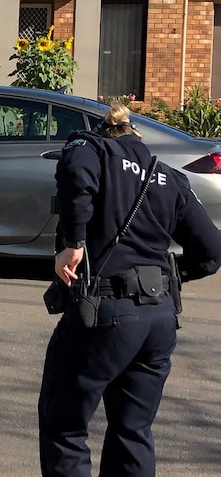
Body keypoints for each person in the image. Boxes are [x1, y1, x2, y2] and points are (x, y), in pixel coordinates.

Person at [38, 105, 221, 477]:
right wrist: (169, 277)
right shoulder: (168, 177)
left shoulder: (93, 152)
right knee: (133, 431)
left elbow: (76, 168)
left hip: (104, 312)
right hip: (158, 319)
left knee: (65, 428)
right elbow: (211, 253)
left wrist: (74, 241)